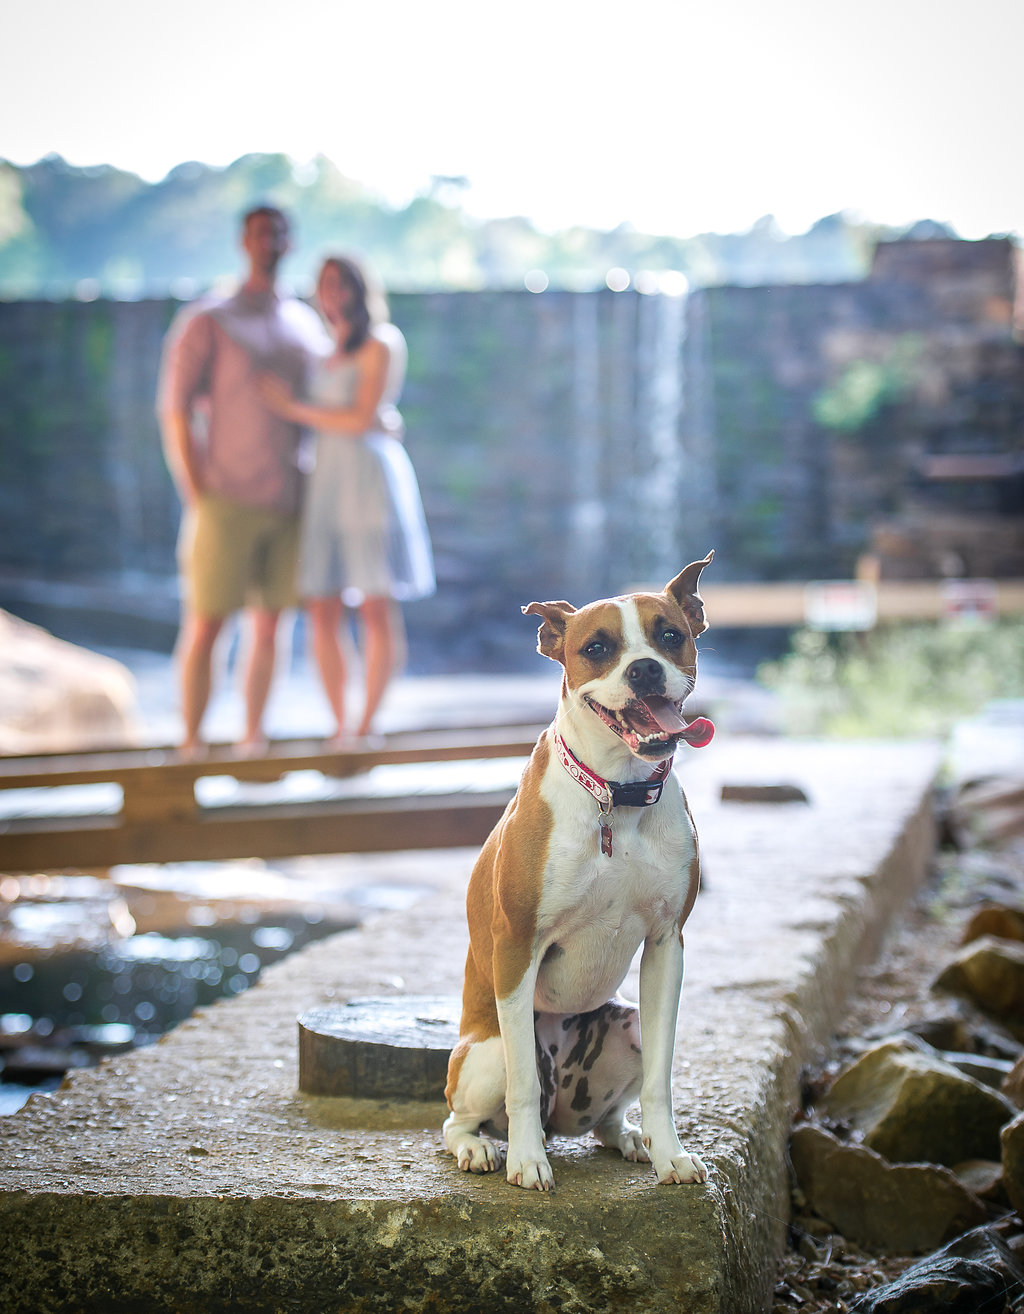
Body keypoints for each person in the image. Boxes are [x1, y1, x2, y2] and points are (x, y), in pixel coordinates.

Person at [158, 205, 329, 753]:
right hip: (224, 498)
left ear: (289, 242)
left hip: (291, 498)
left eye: (278, 232)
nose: (269, 241)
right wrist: (195, 487)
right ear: (243, 242)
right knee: (207, 624)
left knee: (270, 627)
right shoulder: (207, 318)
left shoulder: (304, 321)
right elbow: (175, 409)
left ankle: (252, 742)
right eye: (259, 233)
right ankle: (190, 745)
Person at [258, 255, 434, 743]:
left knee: (376, 604)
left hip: (368, 479)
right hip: (326, 482)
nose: (331, 293)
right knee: (322, 605)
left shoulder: (382, 341)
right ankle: (340, 724)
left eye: (339, 283)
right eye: (323, 284)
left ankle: (367, 723)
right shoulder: (319, 347)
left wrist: (293, 409)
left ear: (358, 288)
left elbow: (362, 418)